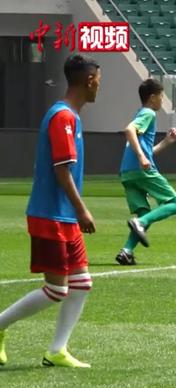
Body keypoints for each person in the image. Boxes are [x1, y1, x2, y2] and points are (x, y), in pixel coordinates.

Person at [0, 54, 101, 368]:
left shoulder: (71, 116)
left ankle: (57, 350)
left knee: (81, 283)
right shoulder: (62, 117)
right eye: (98, 81)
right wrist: (82, 210)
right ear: (89, 81)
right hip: (50, 215)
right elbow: (61, 171)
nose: (99, 87)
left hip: (63, 216)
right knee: (57, 289)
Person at [115, 79, 176, 265]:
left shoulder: (140, 113)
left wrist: (166, 142)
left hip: (127, 173)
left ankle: (126, 251)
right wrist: (141, 157)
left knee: (144, 212)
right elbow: (129, 130)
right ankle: (140, 224)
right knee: (174, 203)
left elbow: (146, 151)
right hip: (140, 170)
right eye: (161, 96)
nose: (162, 99)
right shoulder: (149, 113)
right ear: (152, 97)